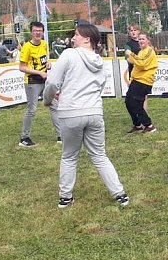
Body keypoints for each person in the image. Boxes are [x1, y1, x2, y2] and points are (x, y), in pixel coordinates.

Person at [43, 24, 129, 208]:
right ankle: (120, 194)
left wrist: (47, 99)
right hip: (94, 112)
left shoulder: (69, 54)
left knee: (69, 156)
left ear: (87, 39)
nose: (73, 38)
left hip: (70, 112)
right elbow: (98, 87)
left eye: (76, 35)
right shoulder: (99, 61)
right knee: (99, 155)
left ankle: (65, 197)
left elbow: (51, 82)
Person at [18, 21, 60, 147]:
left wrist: (48, 64)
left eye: (40, 31)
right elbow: (22, 67)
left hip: (44, 80)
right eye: (35, 31)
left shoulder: (45, 44)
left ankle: (61, 135)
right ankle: (24, 138)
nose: (38, 33)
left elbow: (44, 60)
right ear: (31, 32)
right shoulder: (26, 47)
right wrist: (39, 72)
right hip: (32, 82)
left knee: (54, 105)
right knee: (32, 110)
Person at [124, 32, 159, 133]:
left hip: (143, 82)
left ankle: (149, 125)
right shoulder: (141, 52)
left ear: (148, 40)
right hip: (136, 81)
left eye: (143, 39)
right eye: (139, 39)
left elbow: (142, 64)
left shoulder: (149, 51)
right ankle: (137, 125)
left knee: (137, 104)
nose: (141, 41)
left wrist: (130, 54)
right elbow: (136, 66)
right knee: (129, 102)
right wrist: (131, 80)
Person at [125, 24, 148, 112]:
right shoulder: (128, 45)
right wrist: (140, 63)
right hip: (134, 75)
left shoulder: (144, 43)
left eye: (135, 30)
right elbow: (128, 59)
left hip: (145, 75)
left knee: (144, 97)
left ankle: (144, 119)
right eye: (131, 30)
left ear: (138, 31)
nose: (133, 32)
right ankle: (139, 119)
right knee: (134, 99)